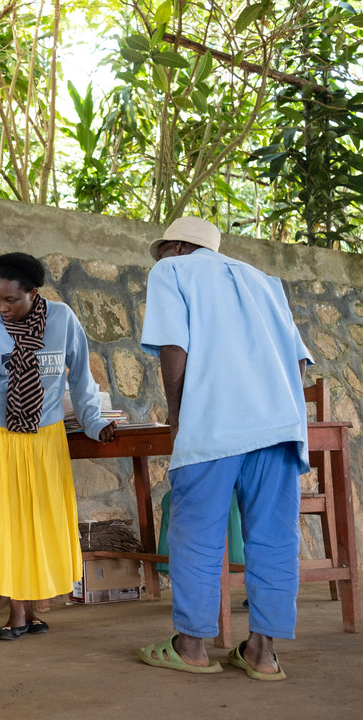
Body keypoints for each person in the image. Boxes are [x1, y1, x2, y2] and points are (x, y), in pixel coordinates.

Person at [136, 216, 311, 680]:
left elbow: (174, 346)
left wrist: (178, 416)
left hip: (214, 421)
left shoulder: (170, 272)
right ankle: (263, 653)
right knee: (274, 537)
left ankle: (191, 646)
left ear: (175, 246)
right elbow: (297, 359)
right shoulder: (265, 281)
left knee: (197, 532)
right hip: (278, 424)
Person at [0, 252, 117, 641]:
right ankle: (18, 613)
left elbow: (81, 377)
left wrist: (94, 421)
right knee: (9, 524)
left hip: (45, 436)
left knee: (41, 522)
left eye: (10, 300)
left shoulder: (63, 319)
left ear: (33, 293)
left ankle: (33, 611)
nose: (2, 307)